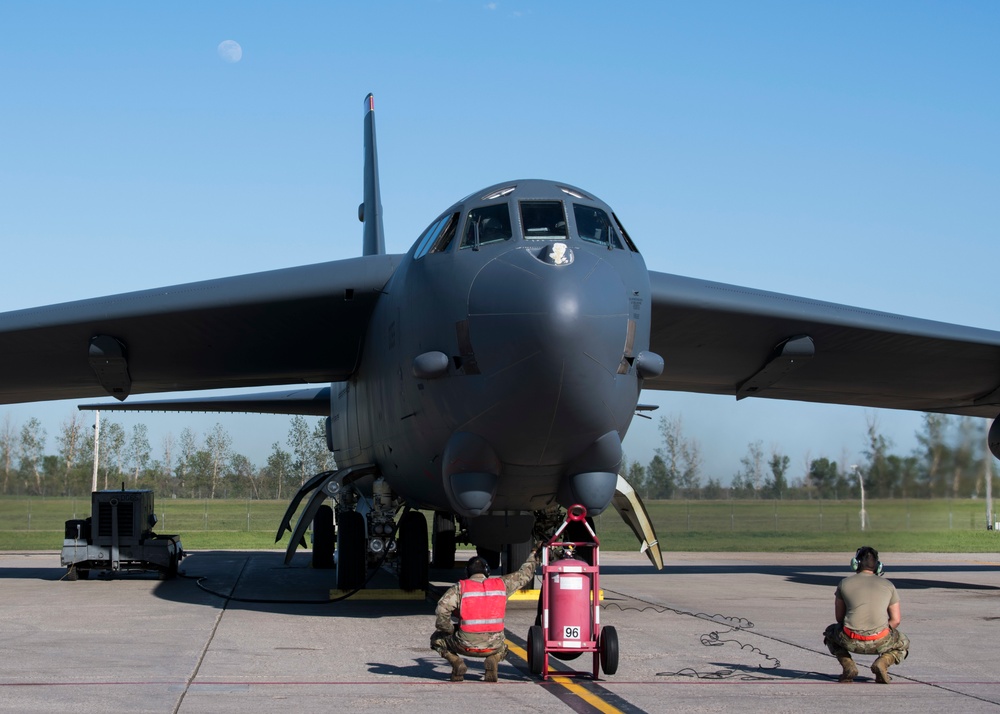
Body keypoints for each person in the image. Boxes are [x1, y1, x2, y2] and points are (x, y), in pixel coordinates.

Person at [431, 545, 540, 682]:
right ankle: (493, 660)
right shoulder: (502, 584)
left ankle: (457, 663)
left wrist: (449, 629)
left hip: (464, 644)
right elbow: (525, 574)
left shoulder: (460, 588)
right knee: (504, 647)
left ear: (467, 572)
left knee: (437, 639)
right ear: (487, 571)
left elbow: (441, 610)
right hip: (494, 646)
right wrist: (534, 553)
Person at [823, 546, 910, 683]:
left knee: (830, 633)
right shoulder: (888, 585)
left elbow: (839, 618)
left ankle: (848, 665)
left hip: (850, 639)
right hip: (879, 640)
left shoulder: (844, 583)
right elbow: (896, 620)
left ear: (855, 564)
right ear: (878, 566)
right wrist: (880, 631)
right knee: (903, 642)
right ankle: (883, 662)